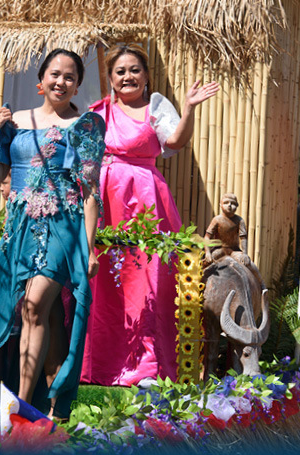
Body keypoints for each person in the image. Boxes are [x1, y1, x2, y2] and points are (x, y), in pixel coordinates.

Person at [0, 49, 105, 418]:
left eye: (70, 77)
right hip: (19, 226)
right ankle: (43, 403)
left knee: (35, 304)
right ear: (41, 81)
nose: (62, 82)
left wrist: (89, 247)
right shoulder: (16, 121)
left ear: (77, 85)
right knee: (32, 312)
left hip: (63, 226)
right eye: (55, 74)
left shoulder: (85, 126)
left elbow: (89, 193)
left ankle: (19, 408)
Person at [82, 44, 219, 386]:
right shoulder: (97, 112)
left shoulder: (155, 106)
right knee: (106, 281)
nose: (128, 76)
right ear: (111, 78)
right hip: (104, 205)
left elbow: (175, 140)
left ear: (146, 76)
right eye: (120, 71)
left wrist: (188, 109)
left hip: (144, 201)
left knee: (146, 279)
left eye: (134, 70)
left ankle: (147, 364)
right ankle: (99, 365)